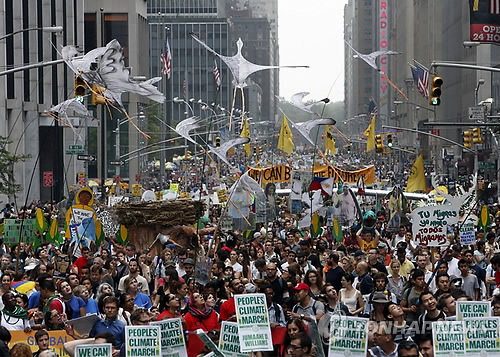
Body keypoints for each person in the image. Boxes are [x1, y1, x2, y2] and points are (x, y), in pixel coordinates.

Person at [184, 292, 220, 357]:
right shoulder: (188, 317)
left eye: (200, 295)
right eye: (196, 297)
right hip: (197, 352)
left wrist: (211, 333)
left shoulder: (212, 313)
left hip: (212, 351)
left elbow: (218, 330)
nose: (200, 297)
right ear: (193, 303)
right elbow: (186, 335)